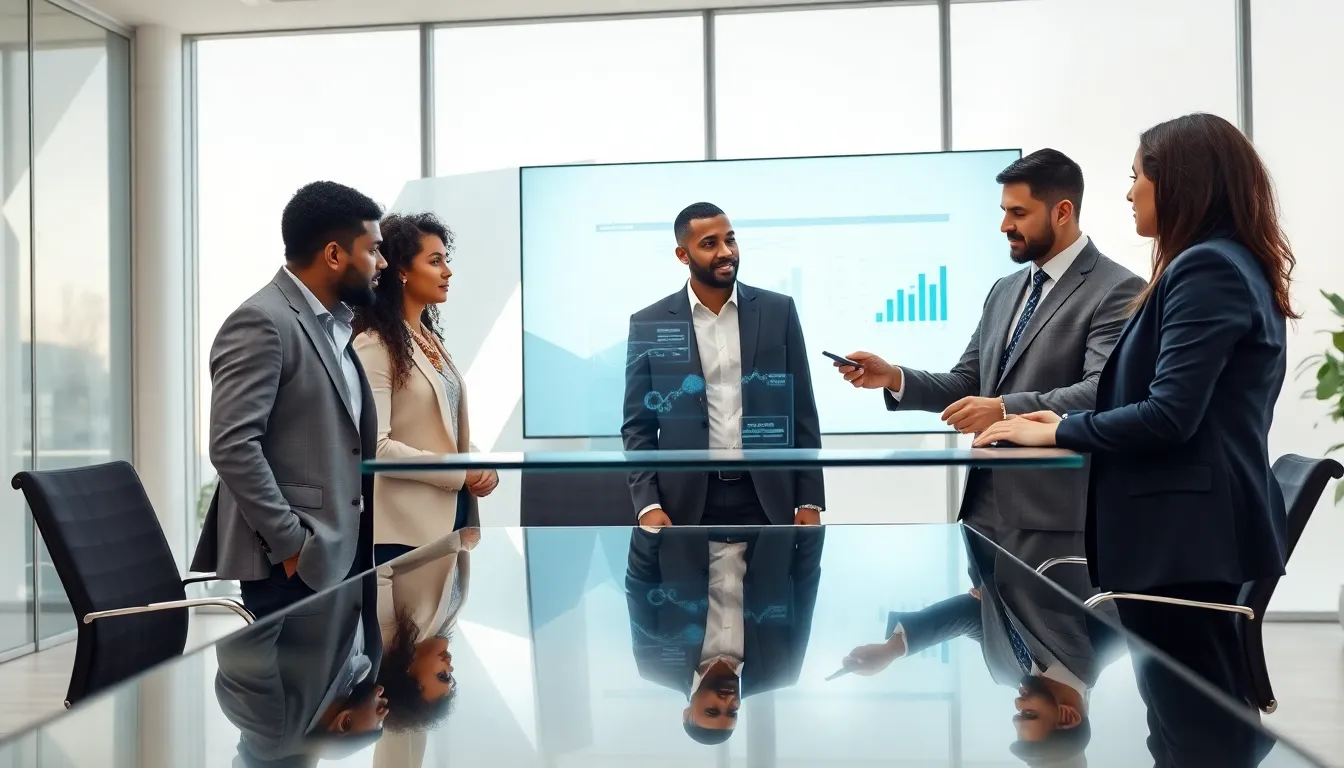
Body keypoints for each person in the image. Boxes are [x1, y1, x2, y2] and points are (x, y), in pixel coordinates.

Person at [974, 113, 1295, 745]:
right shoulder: (1219, 263)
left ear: (1177, 182)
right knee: (1186, 726)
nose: (1127, 193)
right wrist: (1063, 422)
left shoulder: (1208, 269)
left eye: (1136, 176)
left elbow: (1170, 415)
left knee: (1196, 731)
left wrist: (1058, 431)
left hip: (1184, 544)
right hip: (1186, 541)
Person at [835, 150, 1145, 569]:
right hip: (982, 510)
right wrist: (894, 378)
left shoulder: (1118, 289)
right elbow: (969, 382)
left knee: (1054, 635)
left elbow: (1100, 392)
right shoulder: (1005, 289)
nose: (1005, 226)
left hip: (1054, 520)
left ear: (1063, 211)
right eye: (1004, 211)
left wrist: (1002, 410)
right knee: (989, 634)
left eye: (1018, 212)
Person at [192, 181, 387, 618]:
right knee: (293, 685)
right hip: (297, 565)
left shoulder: (336, 327)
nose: (382, 262)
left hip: (342, 551)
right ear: (335, 255)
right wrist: (291, 546)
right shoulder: (261, 322)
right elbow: (232, 446)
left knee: (333, 684)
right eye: (373, 249)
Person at [842, 528, 1125, 765]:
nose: (1017, 704)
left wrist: (891, 650)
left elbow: (969, 615)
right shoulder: (1107, 638)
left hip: (985, 500)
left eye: (1017, 714)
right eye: (1029, 714)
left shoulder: (1004, 669)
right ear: (1067, 716)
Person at [622, 202, 825, 528]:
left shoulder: (778, 311)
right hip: (684, 503)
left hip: (768, 497)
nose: (725, 251)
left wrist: (810, 498)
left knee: (774, 580)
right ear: (682, 255)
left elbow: (802, 411)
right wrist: (647, 504)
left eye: (730, 239)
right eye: (709, 244)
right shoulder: (650, 323)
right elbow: (638, 427)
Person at [353, 212, 496, 567]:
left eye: (446, 260)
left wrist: (480, 461)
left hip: (453, 522)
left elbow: (443, 429)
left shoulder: (428, 340)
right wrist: (461, 472)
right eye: (435, 261)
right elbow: (375, 446)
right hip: (404, 532)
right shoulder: (374, 345)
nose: (447, 271)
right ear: (402, 270)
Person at [625, 525, 823, 744]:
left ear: (687, 711)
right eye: (732, 713)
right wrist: (811, 527)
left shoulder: (655, 665)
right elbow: (805, 585)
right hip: (767, 523)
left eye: (712, 711)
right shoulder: (781, 672)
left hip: (691, 521)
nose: (727, 702)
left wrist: (647, 529)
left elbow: (639, 583)